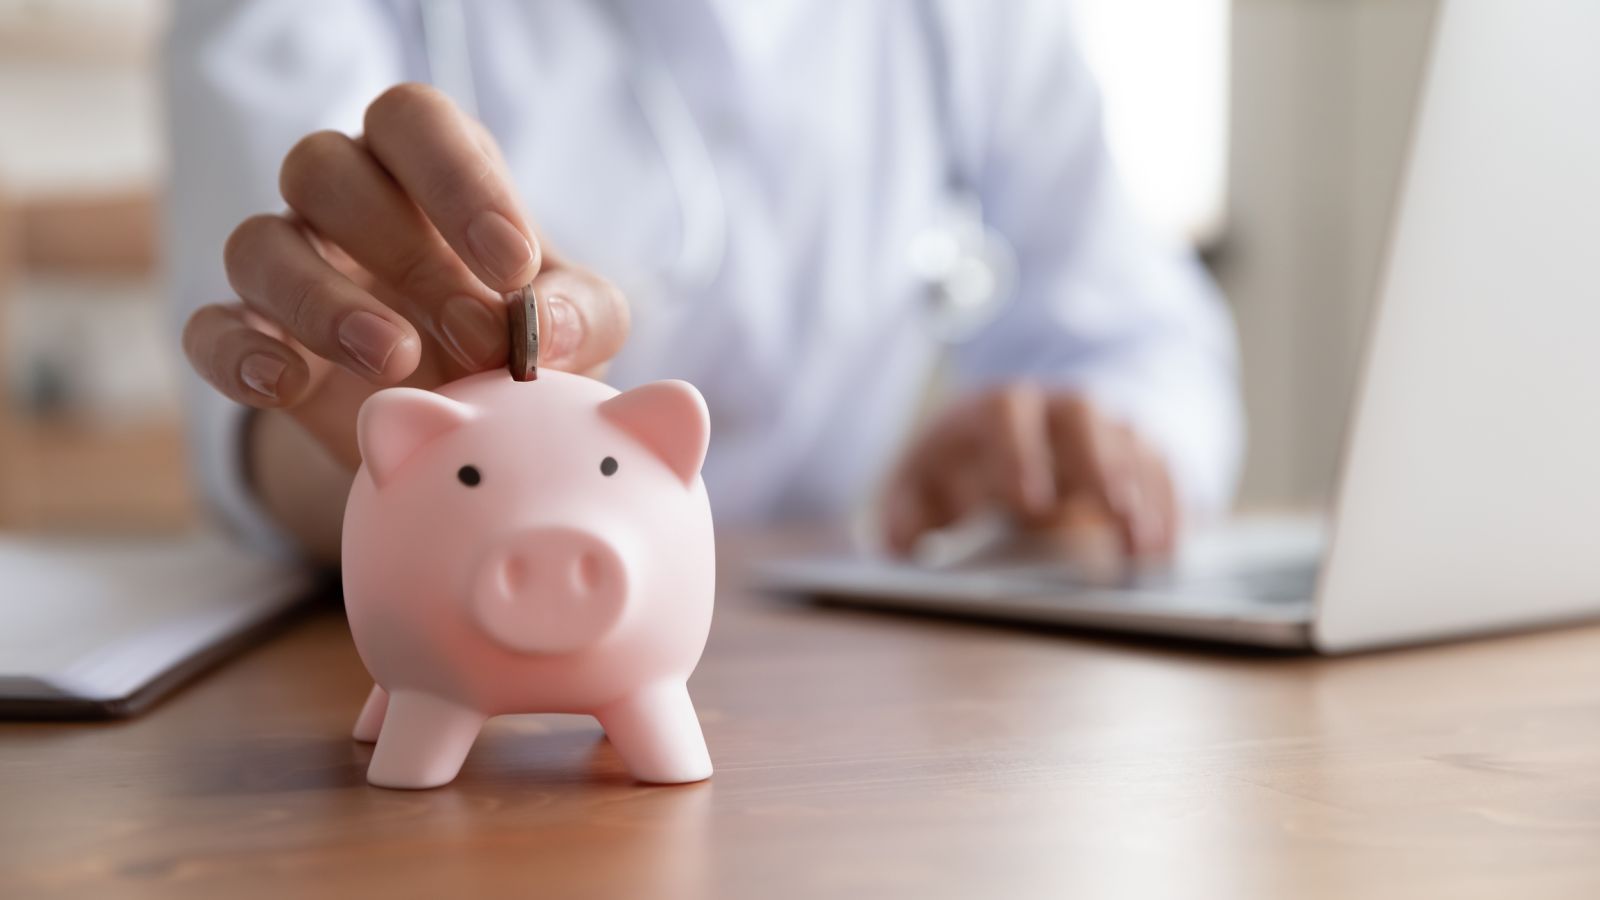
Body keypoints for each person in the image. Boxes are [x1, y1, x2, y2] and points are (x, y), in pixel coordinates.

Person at [166, 0, 1241, 567]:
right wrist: (399, 433)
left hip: (850, 697)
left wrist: (1065, 457)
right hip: (420, 645)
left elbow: (1141, 343)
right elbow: (289, 398)